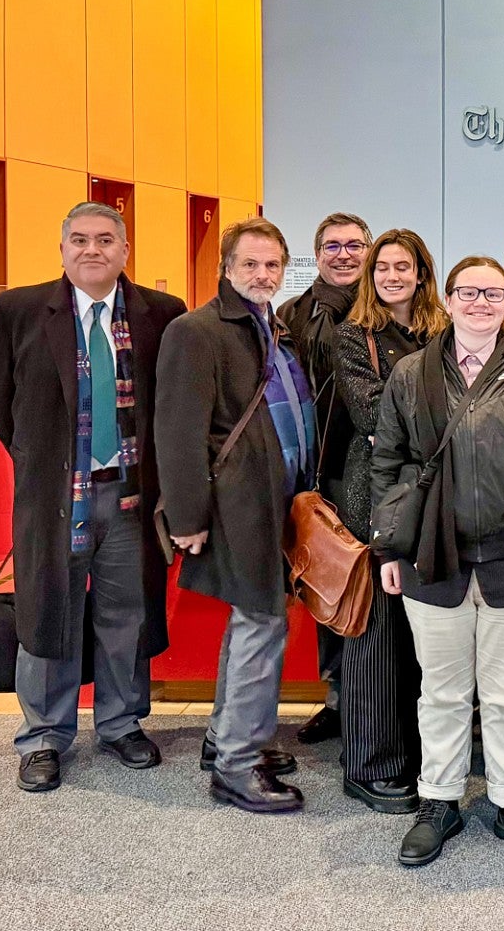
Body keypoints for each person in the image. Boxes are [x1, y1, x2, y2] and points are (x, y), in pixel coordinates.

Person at [371, 255, 504, 868]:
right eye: (468, 292)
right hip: (430, 561)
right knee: (440, 692)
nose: (480, 303)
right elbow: (385, 463)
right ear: (447, 297)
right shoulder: (412, 374)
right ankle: (438, 800)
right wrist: (388, 548)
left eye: (492, 293)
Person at [0, 202, 187, 792]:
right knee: (49, 610)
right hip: (54, 497)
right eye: (80, 240)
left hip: (129, 496)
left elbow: (172, 402)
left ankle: (121, 724)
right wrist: (39, 457)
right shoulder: (18, 311)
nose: (92, 250)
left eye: (105, 240)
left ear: (125, 249)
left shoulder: (161, 315)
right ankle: (44, 737)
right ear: (62, 246)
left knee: (127, 614)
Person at [155, 217, 316, 812]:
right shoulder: (195, 331)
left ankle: (228, 738)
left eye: (272, 264)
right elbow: (177, 432)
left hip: (278, 499)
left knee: (257, 622)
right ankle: (237, 766)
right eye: (250, 264)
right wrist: (187, 518)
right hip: (238, 504)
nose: (262, 274)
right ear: (225, 267)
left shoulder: (273, 327)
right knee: (261, 624)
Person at [329, 228, 447, 814]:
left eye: (404, 267)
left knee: (426, 636)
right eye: (382, 268)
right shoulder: (354, 337)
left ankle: (425, 756)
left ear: (422, 273)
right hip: (374, 498)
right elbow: (374, 414)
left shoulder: (444, 331)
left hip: (438, 497)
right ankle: (370, 765)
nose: (392, 276)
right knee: (374, 635)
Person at [278, 211, 373, 745]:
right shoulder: (291, 315)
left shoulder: (383, 311)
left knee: (377, 590)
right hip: (315, 472)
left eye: (354, 245)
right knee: (329, 586)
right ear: (316, 255)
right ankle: (338, 700)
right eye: (332, 246)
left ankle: (376, 697)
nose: (344, 255)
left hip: (368, 471)